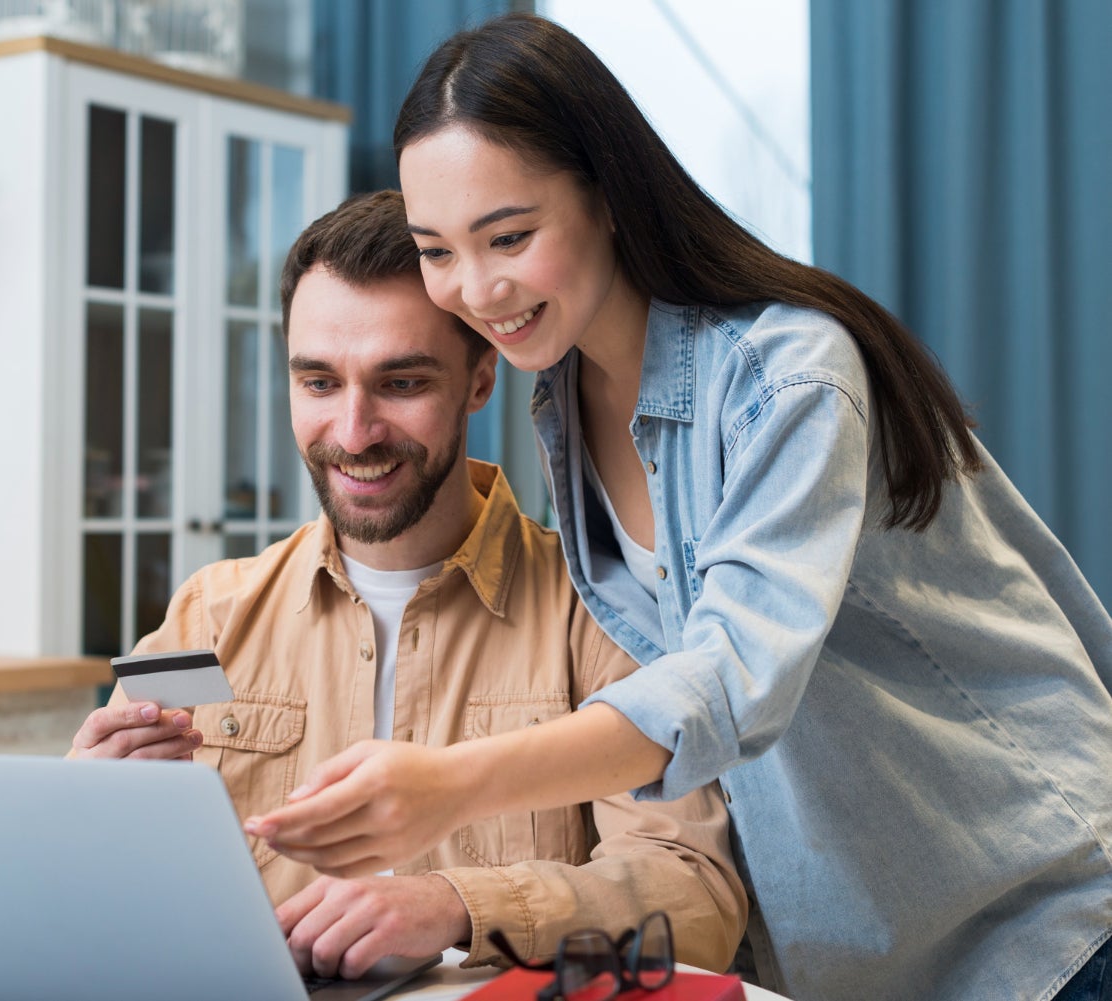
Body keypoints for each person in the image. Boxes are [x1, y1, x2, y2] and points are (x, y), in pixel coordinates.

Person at [242, 14, 1112, 1001]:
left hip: (1039, 920)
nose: (475, 288)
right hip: (861, 948)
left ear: (608, 196)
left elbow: (728, 678)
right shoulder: (561, 398)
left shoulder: (787, 374)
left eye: (511, 236)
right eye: (438, 249)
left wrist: (452, 782)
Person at [68, 190, 747, 981]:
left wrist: (455, 904)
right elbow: (97, 879)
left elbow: (695, 896)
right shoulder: (207, 612)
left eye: (401, 383)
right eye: (319, 383)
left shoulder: (597, 607)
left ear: (480, 377)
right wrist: (86, 808)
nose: (354, 433)